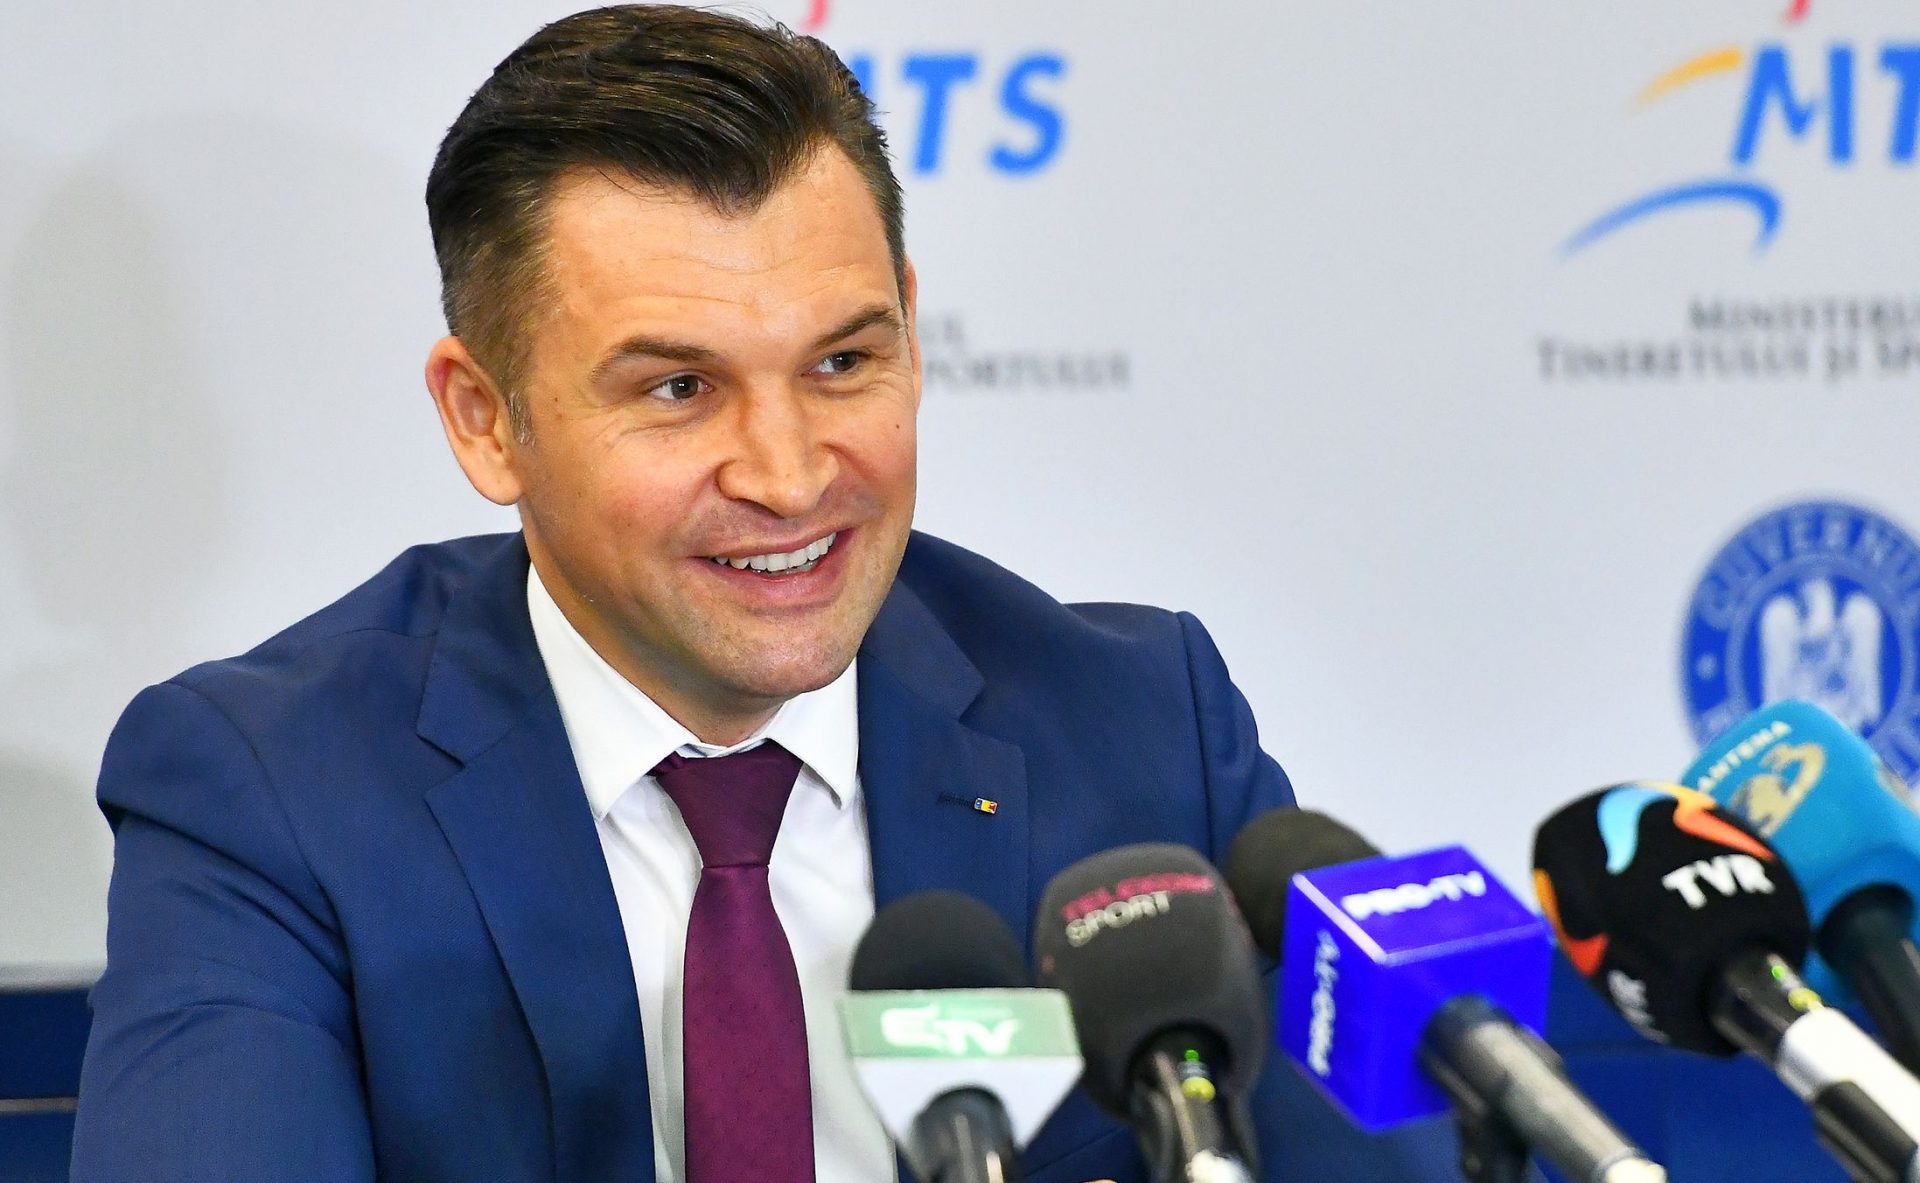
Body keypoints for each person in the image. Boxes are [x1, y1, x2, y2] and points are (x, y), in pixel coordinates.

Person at [71, 7, 1427, 1181]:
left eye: (842, 364)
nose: (789, 477)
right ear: (485, 419)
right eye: (678, 388)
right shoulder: (274, 795)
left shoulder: (1139, 731)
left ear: (911, 328)